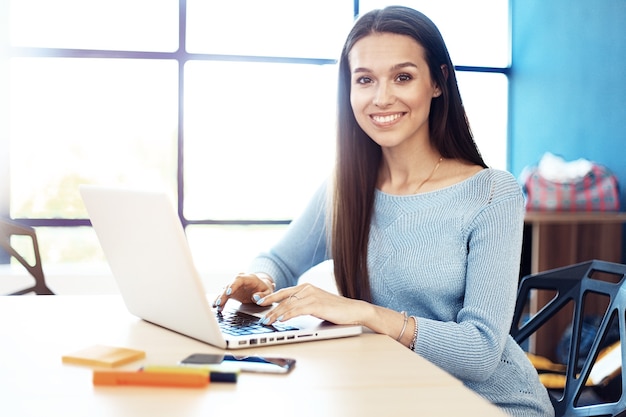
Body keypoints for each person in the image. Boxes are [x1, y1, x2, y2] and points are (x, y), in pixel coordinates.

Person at [213, 6, 554, 417]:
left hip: (489, 405)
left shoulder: (492, 193)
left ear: (438, 82)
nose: (381, 97)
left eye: (403, 77)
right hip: (395, 393)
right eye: (365, 80)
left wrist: (366, 314)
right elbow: (282, 260)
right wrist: (260, 278)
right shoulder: (347, 186)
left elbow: (480, 352)